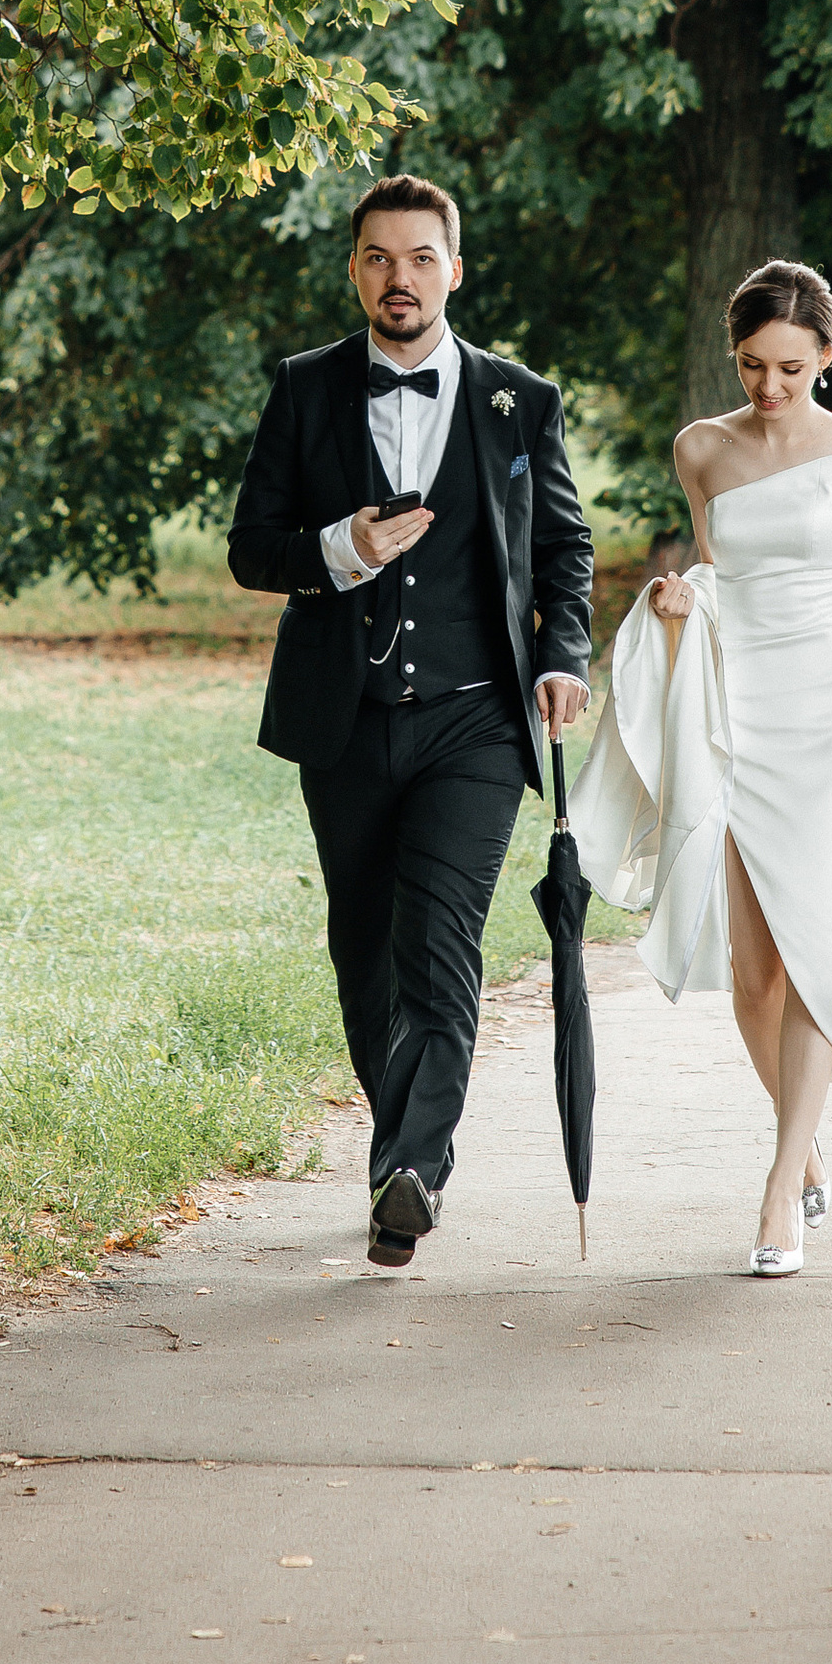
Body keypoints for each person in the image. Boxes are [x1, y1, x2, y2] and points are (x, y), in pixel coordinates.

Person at [568, 257, 832, 1280]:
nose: (770, 387)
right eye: (755, 366)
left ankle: (776, 1193)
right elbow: (719, 575)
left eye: (791, 368)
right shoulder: (700, 450)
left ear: (826, 359)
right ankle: (806, 1136)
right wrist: (681, 600)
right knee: (751, 972)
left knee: (814, 951)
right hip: (739, 713)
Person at [227, 173, 594, 1270]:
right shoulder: (303, 389)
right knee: (364, 955)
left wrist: (564, 656)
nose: (400, 278)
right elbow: (253, 548)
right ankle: (399, 1152)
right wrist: (340, 548)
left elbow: (563, 551)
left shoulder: (517, 400)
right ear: (354, 269)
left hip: (474, 723)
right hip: (343, 721)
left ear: (455, 269)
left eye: (421, 258)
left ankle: (414, 1171)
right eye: (379, 258)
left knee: (441, 950)